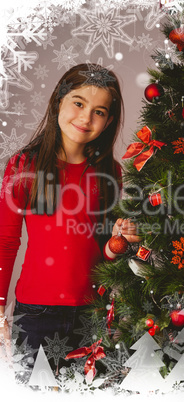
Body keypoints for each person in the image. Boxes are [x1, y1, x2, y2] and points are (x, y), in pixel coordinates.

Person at [0, 63, 140, 372]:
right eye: (78, 103)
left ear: (109, 120)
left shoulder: (110, 173)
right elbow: (6, 242)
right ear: (58, 101)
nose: (86, 118)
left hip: (92, 313)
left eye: (99, 111)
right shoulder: (24, 166)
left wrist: (120, 241)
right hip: (36, 314)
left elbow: (103, 249)